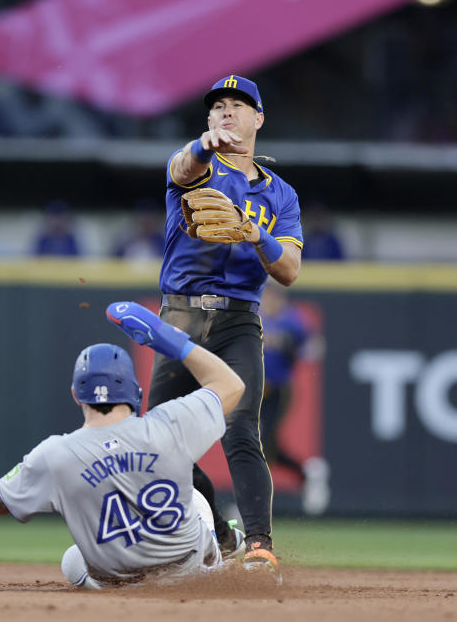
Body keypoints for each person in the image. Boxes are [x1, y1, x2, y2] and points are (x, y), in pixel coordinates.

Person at [0, 301, 244, 589]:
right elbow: (231, 384)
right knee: (197, 497)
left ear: (75, 395)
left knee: (73, 560)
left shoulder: (56, 456)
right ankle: (226, 550)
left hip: (119, 580)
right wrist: (168, 340)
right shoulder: (172, 423)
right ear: (134, 392)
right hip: (186, 571)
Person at [149, 75, 303, 577]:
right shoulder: (194, 168)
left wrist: (258, 235)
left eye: (238, 105)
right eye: (218, 106)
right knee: (163, 442)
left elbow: (290, 271)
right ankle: (221, 532)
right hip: (182, 317)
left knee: (241, 429)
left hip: (238, 320)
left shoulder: (280, 195)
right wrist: (199, 146)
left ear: (258, 119)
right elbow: (179, 166)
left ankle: (259, 544)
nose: (227, 112)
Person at [259, 284, 329, 515]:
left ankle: (253, 502)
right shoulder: (256, 318)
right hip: (254, 391)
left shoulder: (291, 320)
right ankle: (306, 473)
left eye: (271, 297)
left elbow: (315, 347)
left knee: (263, 441)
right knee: (260, 444)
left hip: (278, 389)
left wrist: (293, 347)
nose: (268, 301)